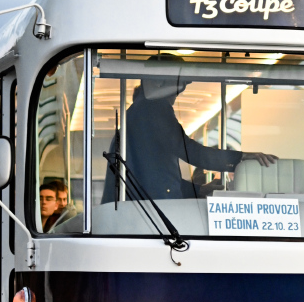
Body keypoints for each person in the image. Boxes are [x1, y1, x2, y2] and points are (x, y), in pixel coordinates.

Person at [102, 56, 277, 203]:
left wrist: (199, 190)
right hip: (148, 218)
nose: (175, 96)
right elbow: (190, 151)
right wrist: (241, 157)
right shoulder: (153, 109)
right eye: (176, 88)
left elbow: (156, 176)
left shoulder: (136, 113)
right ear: (158, 83)